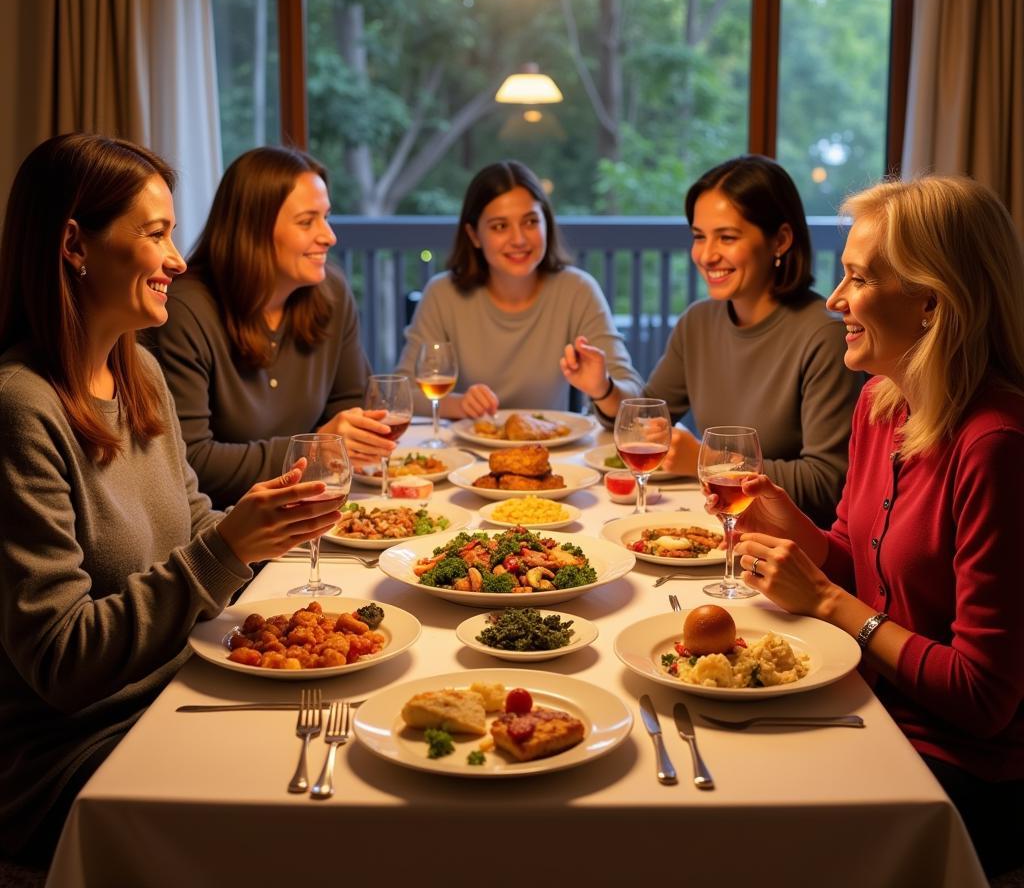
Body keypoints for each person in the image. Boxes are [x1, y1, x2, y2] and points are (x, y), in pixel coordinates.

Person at [0, 134, 345, 864]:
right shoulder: (21, 410)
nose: (179, 259)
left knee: (347, 742)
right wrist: (229, 548)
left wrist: (277, 526)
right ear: (74, 243)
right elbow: (61, 662)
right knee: (310, 819)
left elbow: (194, 530)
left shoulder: (140, 375)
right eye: (155, 234)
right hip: (81, 748)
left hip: (178, 685)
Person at [731, 175, 1024, 877]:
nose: (834, 302)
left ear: (931, 301)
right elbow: (862, 573)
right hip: (866, 704)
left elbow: (984, 700)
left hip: (958, 771)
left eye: (858, 280)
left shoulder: (996, 446)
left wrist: (829, 604)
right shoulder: (881, 406)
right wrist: (795, 527)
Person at [562, 154, 862, 526]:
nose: (706, 255)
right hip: (718, 524)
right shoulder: (698, 322)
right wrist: (603, 388)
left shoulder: (825, 334)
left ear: (780, 240)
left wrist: (709, 462)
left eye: (727, 237)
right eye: (699, 237)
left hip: (785, 544)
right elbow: (647, 426)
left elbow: (827, 484)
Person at [149, 147, 391, 509]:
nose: (329, 236)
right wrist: (315, 448)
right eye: (307, 221)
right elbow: (189, 460)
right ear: (253, 229)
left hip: (313, 508)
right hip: (224, 527)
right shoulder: (185, 310)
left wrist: (346, 438)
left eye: (326, 217)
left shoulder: (331, 293)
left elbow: (349, 405)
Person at [396, 159, 643, 416]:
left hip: (553, 453)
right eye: (500, 226)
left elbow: (633, 396)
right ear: (474, 235)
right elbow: (403, 395)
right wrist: (460, 404)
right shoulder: (442, 293)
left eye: (530, 222)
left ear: (546, 223)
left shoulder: (577, 290)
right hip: (466, 454)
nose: (519, 239)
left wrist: (603, 388)